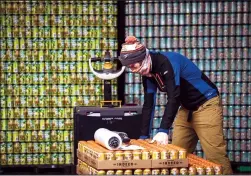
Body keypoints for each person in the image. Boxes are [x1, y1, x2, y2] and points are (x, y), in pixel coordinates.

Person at [119, 36, 233, 175]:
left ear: (141, 57)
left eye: (132, 64)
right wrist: (144, 136)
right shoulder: (148, 72)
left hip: (206, 105)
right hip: (186, 109)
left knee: (215, 156)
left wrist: (163, 130)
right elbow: (149, 104)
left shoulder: (167, 62)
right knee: (176, 156)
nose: (131, 69)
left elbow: (174, 97)